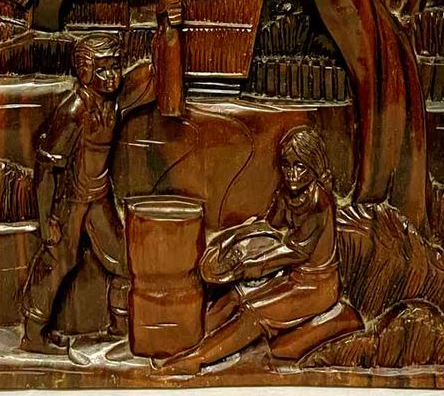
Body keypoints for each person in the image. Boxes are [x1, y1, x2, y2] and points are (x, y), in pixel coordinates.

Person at [160, 125, 360, 372]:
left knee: (252, 313)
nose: (291, 174)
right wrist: (231, 237)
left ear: (314, 166)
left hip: (316, 286)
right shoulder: (287, 193)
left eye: (300, 166)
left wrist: (250, 266)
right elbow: (270, 225)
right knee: (234, 295)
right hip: (292, 276)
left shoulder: (319, 201)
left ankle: (198, 360)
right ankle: (185, 344)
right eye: (286, 165)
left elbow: (297, 252)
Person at [20, 31, 144, 353]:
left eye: (115, 66)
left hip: (98, 198)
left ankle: (120, 329)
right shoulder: (73, 110)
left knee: (123, 261)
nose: (112, 75)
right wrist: (46, 221)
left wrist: (168, 31)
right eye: (102, 68)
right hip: (70, 202)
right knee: (57, 262)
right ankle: (33, 335)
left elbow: (153, 78)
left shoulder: (112, 103)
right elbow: (46, 169)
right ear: (85, 72)